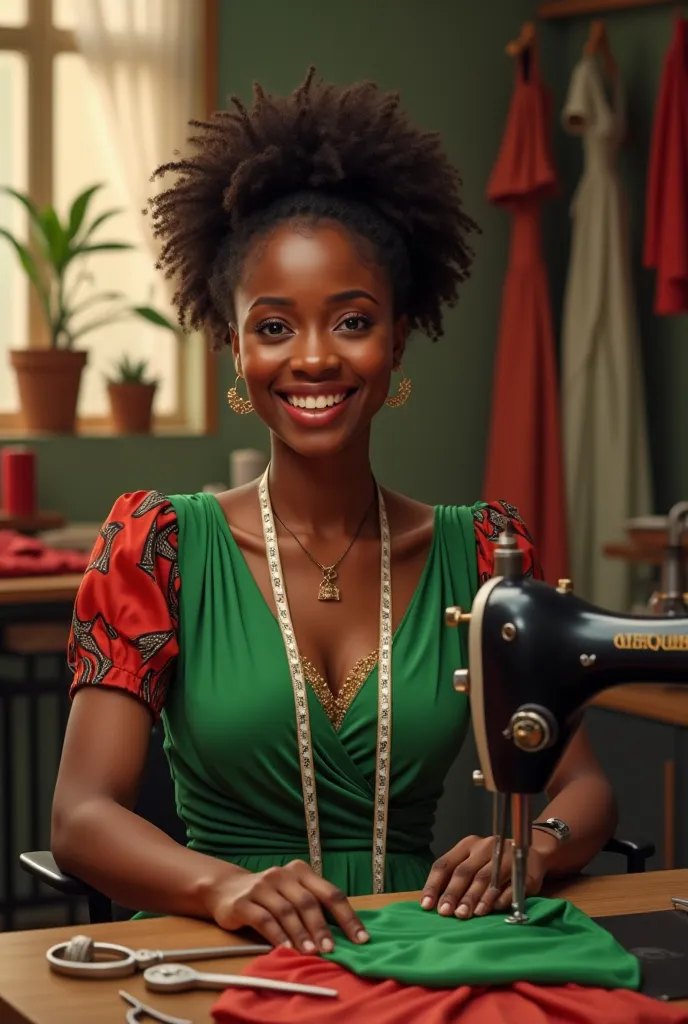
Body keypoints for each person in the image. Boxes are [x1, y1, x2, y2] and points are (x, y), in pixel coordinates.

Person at [51, 68, 616, 958]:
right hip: (218, 958)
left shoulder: (479, 553)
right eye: (274, 327)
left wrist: (529, 847)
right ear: (235, 347)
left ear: (397, 337)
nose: (313, 358)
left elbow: (581, 785)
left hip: (417, 956)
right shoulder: (157, 548)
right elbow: (81, 817)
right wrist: (227, 887)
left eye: (350, 321)